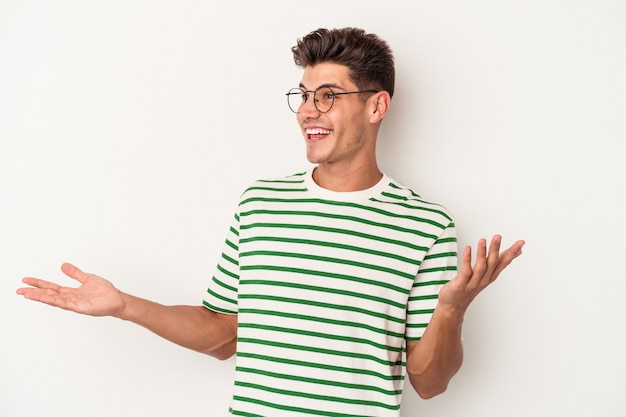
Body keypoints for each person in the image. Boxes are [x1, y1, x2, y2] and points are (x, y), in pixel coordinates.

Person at [17, 27, 525, 416]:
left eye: (328, 95)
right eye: (303, 95)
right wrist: (125, 305)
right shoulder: (260, 205)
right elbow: (222, 335)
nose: (308, 111)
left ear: (377, 106)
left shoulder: (425, 225)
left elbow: (430, 382)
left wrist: (451, 309)